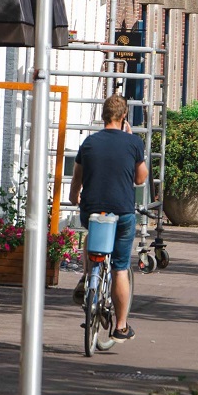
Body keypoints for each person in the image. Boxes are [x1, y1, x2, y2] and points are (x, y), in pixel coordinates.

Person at [69, 93, 149, 341]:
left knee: (91, 234)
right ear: (124, 116)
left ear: (102, 116)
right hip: (122, 213)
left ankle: (88, 274)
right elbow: (140, 178)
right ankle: (121, 327)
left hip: (92, 210)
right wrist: (131, 139)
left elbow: (77, 180)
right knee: (120, 268)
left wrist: (74, 197)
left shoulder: (89, 144)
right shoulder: (133, 143)